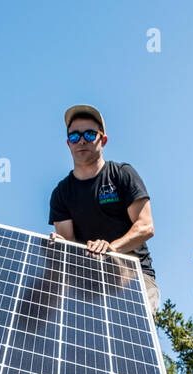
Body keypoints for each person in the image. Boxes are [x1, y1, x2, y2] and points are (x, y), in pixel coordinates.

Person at [47, 103, 160, 313]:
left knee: (131, 339)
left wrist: (111, 248)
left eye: (89, 134)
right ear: (68, 144)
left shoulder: (121, 175)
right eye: (74, 136)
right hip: (89, 283)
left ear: (103, 140)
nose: (81, 140)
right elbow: (69, 244)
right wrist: (60, 243)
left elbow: (145, 226)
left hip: (133, 277)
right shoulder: (61, 193)